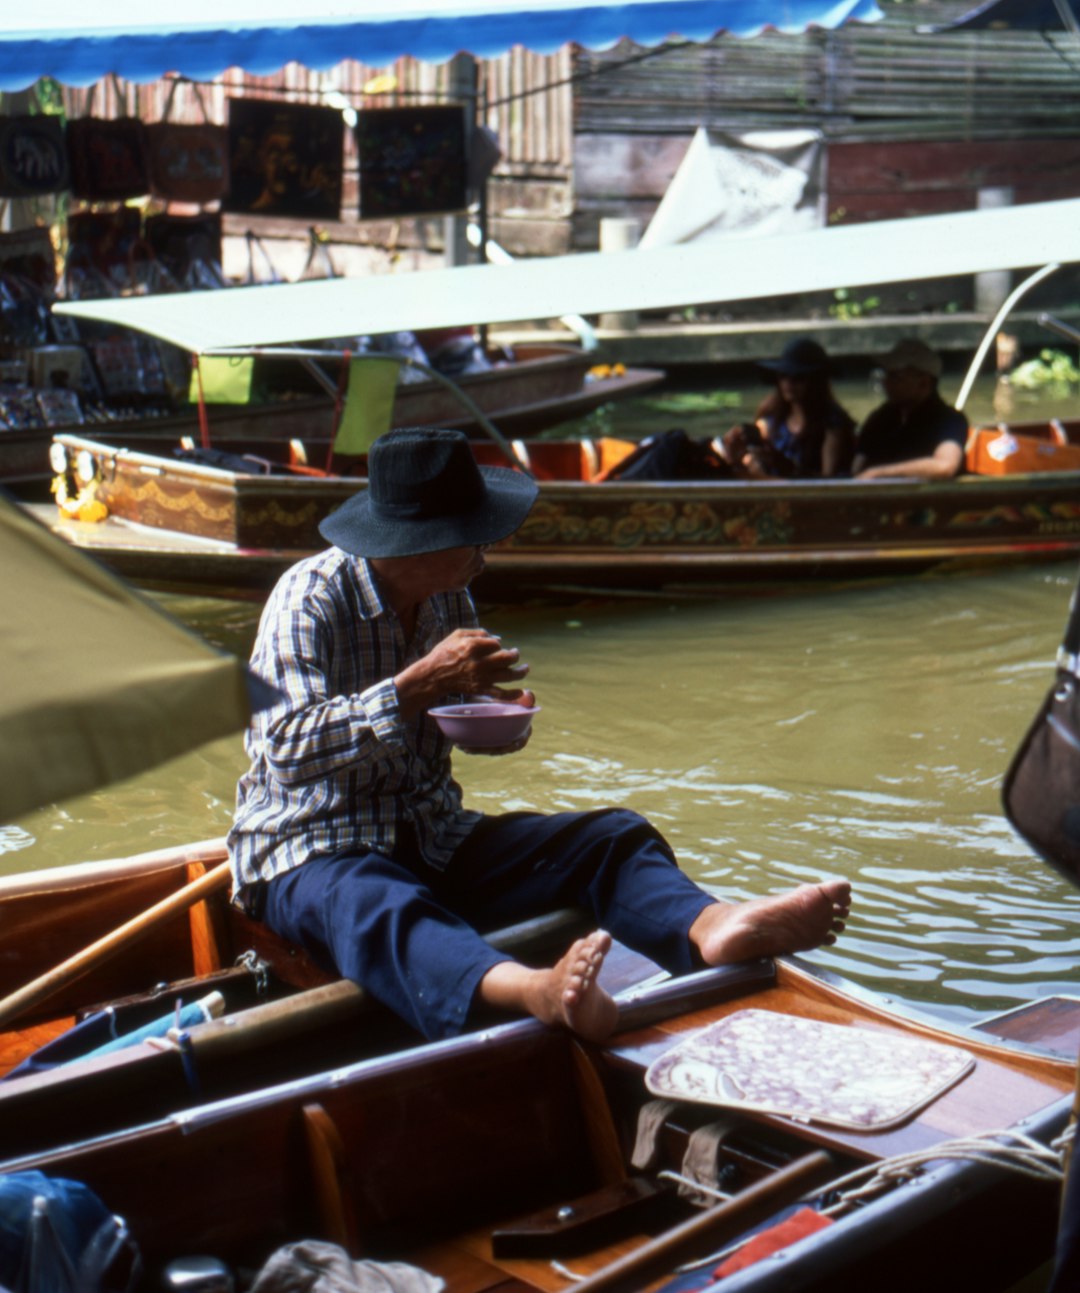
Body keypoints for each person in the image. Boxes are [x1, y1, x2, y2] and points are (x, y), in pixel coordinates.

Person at [229, 426, 852, 1045]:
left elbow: (442, 722)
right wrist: (414, 687)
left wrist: (487, 717)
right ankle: (533, 991)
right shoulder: (307, 599)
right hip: (310, 849)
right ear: (422, 542)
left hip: (430, 832)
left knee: (611, 836)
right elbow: (283, 748)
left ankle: (711, 925)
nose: (487, 551)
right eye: (476, 537)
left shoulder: (451, 601)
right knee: (376, 904)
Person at [736, 337, 855, 479]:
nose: (788, 384)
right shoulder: (772, 415)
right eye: (783, 376)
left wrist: (772, 475)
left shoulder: (833, 423)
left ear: (815, 381)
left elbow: (827, 481)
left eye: (798, 378)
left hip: (810, 495)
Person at [853, 339, 969, 481]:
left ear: (923, 382)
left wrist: (877, 473)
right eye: (886, 375)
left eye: (895, 376)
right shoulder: (881, 417)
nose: (886, 382)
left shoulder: (949, 419)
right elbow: (857, 466)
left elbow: (945, 466)